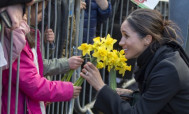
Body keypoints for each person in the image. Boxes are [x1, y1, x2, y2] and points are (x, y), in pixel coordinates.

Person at [80, 9, 189, 114]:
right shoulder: (159, 57)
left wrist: (101, 86)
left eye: (126, 36)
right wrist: (132, 95)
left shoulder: (167, 69)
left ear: (147, 39)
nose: (121, 42)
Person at [2, 2, 82, 114]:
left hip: (28, 105)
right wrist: (66, 90)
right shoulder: (15, 43)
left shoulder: (28, 35)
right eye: (39, 11)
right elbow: (33, 84)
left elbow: (36, 66)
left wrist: (50, 45)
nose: (43, 15)